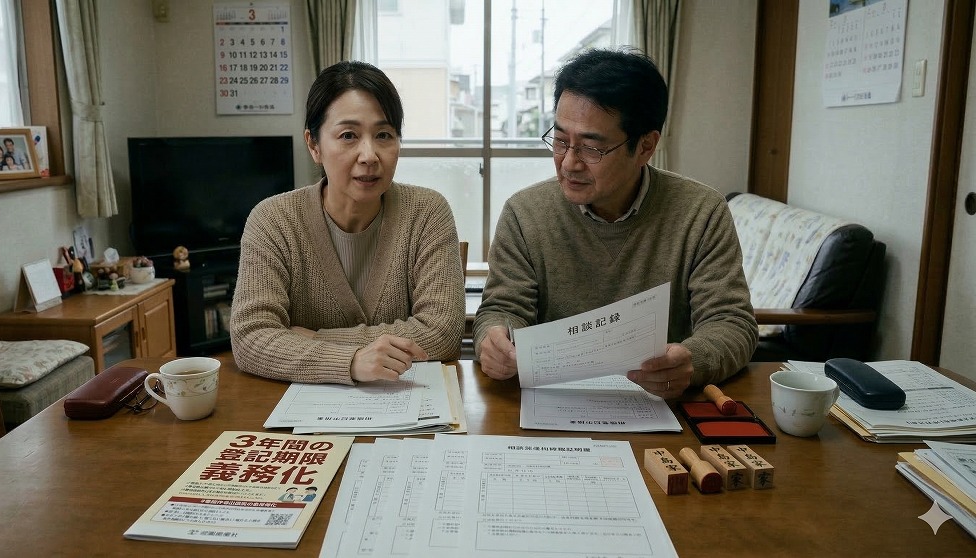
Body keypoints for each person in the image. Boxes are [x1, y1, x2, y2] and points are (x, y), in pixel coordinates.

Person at [473, 48, 757, 399]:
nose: (569, 163)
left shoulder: (701, 212)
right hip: (554, 400)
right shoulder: (525, 212)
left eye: (591, 148)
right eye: (560, 141)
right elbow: (503, 309)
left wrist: (691, 360)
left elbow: (731, 322)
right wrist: (495, 339)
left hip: (659, 402)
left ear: (645, 147)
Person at [230, 60, 465, 385]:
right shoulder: (273, 220)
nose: (369, 155)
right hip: (304, 412)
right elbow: (251, 337)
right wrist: (351, 362)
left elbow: (443, 332)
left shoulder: (427, 212)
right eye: (348, 135)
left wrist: (316, 339)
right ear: (314, 145)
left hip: (403, 405)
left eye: (383, 135)